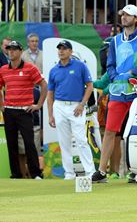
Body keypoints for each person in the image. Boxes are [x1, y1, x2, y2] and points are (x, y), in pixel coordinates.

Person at [92, 4, 137, 183]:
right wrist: (114, 76)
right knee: (110, 131)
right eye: (122, 15)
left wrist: (133, 73)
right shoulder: (114, 41)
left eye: (128, 15)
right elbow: (110, 64)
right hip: (117, 92)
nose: (123, 18)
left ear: (136, 19)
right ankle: (102, 171)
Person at [0, 40, 48, 180]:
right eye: (9, 49)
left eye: (14, 49)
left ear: (20, 51)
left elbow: (44, 85)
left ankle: (36, 173)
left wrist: (39, 105)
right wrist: (2, 104)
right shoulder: (3, 70)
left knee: (29, 143)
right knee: (11, 144)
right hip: (9, 111)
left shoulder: (30, 68)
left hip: (25, 111)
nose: (11, 52)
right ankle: (16, 174)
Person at [46, 40, 94, 179]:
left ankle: (90, 171)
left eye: (64, 48)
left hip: (76, 106)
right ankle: (69, 173)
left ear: (71, 51)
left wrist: (82, 104)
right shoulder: (54, 70)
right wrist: (50, 115)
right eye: (59, 49)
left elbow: (89, 86)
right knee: (64, 141)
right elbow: (50, 94)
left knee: (81, 140)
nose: (61, 51)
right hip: (59, 106)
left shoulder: (80, 66)